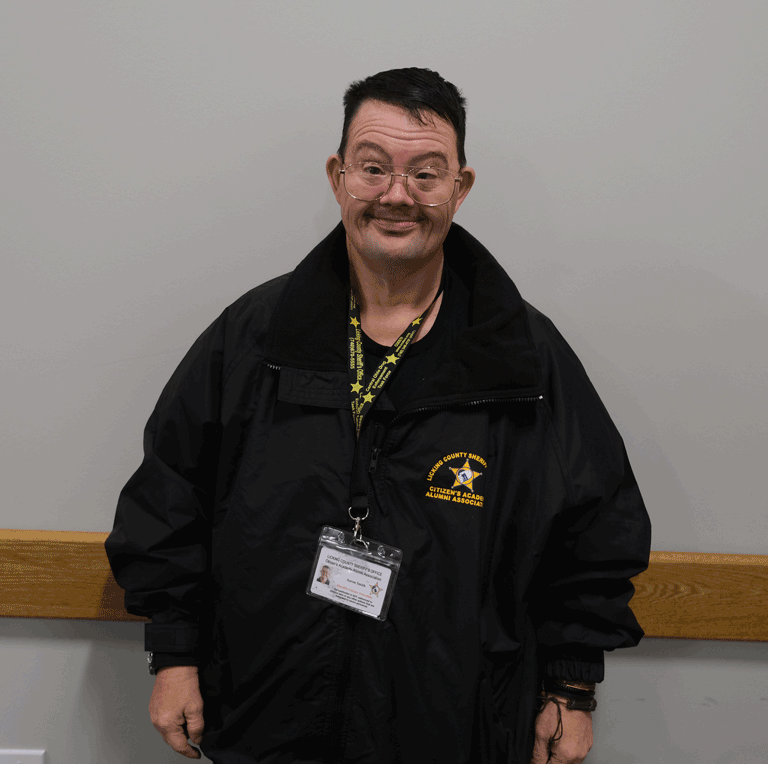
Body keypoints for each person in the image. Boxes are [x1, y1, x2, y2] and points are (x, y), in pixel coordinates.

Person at [105, 67, 651, 764]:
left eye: (426, 173)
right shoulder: (254, 337)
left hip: (457, 723)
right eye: (373, 168)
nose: (397, 195)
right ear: (338, 176)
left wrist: (572, 687)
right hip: (267, 711)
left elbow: (597, 528)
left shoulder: (523, 357)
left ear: (461, 187)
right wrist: (174, 657)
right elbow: (168, 499)